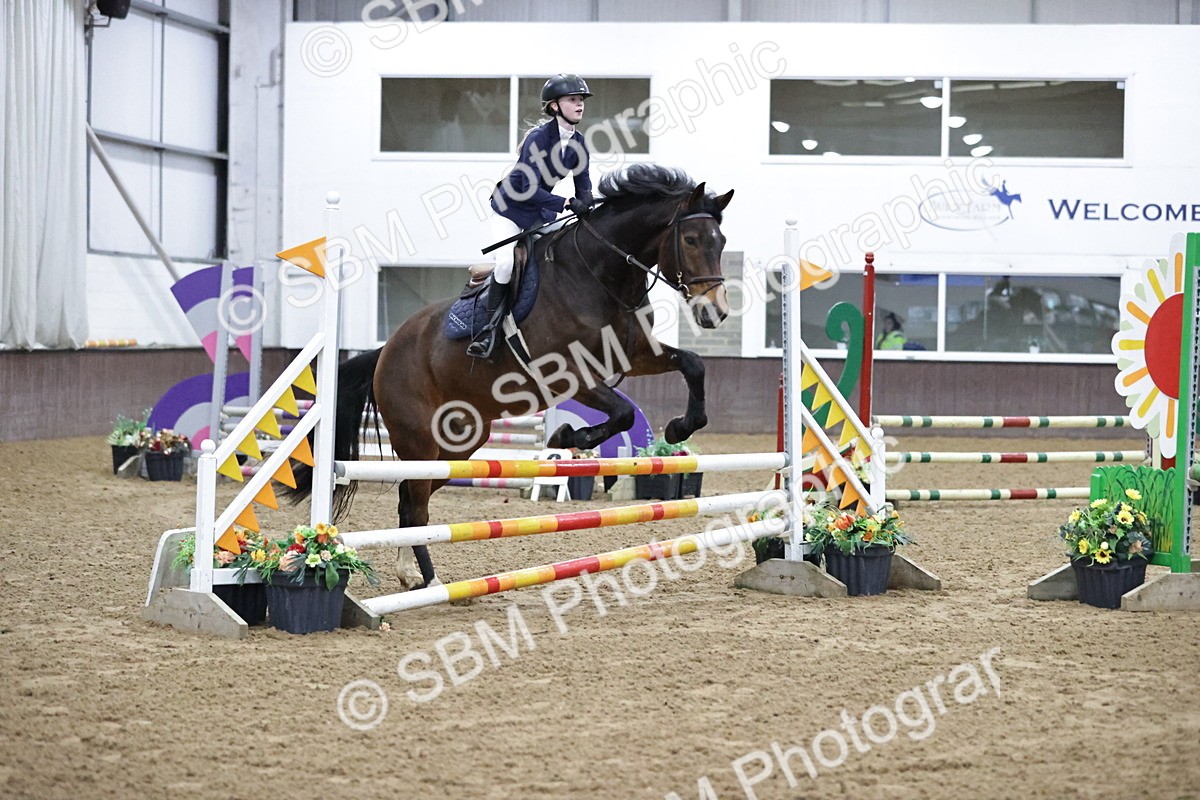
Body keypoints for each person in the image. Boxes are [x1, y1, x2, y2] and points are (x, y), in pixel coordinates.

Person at [467, 73, 595, 358]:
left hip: (540, 213)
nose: (579, 105)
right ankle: (488, 330)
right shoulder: (538, 139)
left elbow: (583, 182)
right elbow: (528, 188)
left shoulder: (579, 143)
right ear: (554, 107)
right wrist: (565, 203)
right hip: (511, 211)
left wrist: (586, 203)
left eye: (581, 100)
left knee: (567, 249)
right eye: (572, 100)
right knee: (504, 264)